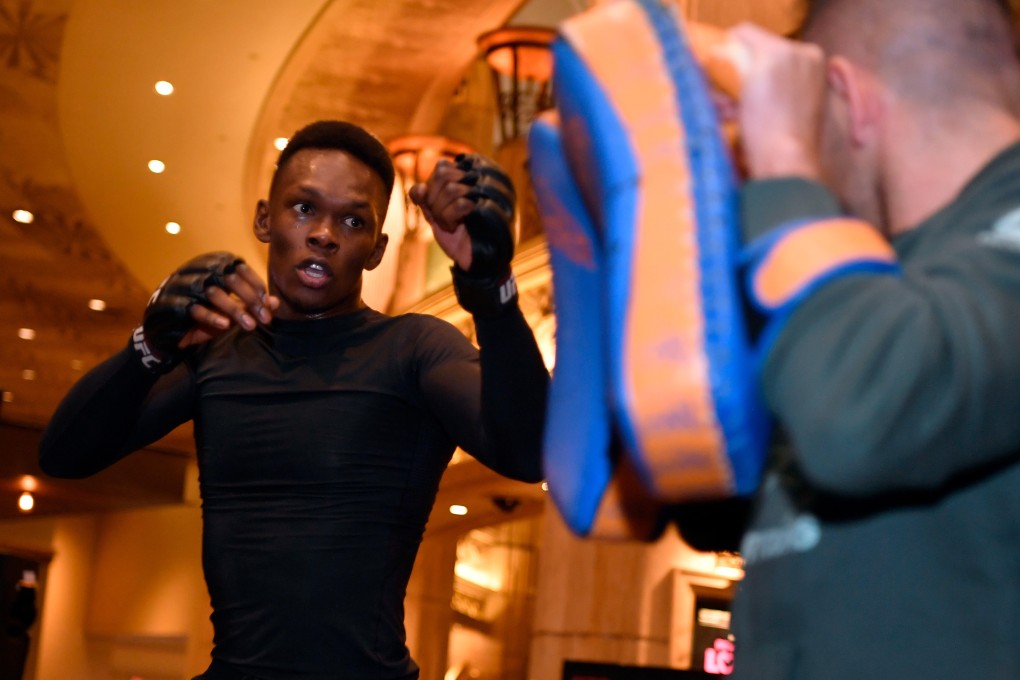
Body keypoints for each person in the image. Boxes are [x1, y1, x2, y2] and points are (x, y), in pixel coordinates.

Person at [38, 120, 549, 680]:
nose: (324, 233)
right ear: (265, 219)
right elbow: (65, 455)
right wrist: (149, 345)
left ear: (376, 250)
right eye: (304, 208)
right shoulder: (215, 356)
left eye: (352, 220)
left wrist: (492, 292)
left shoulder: (414, 349)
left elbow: (528, 454)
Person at [686, 0, 1020, 677]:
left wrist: (786, 156)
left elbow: (855, 417)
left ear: (846, 99)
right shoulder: (868, 271)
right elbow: (708, 507)